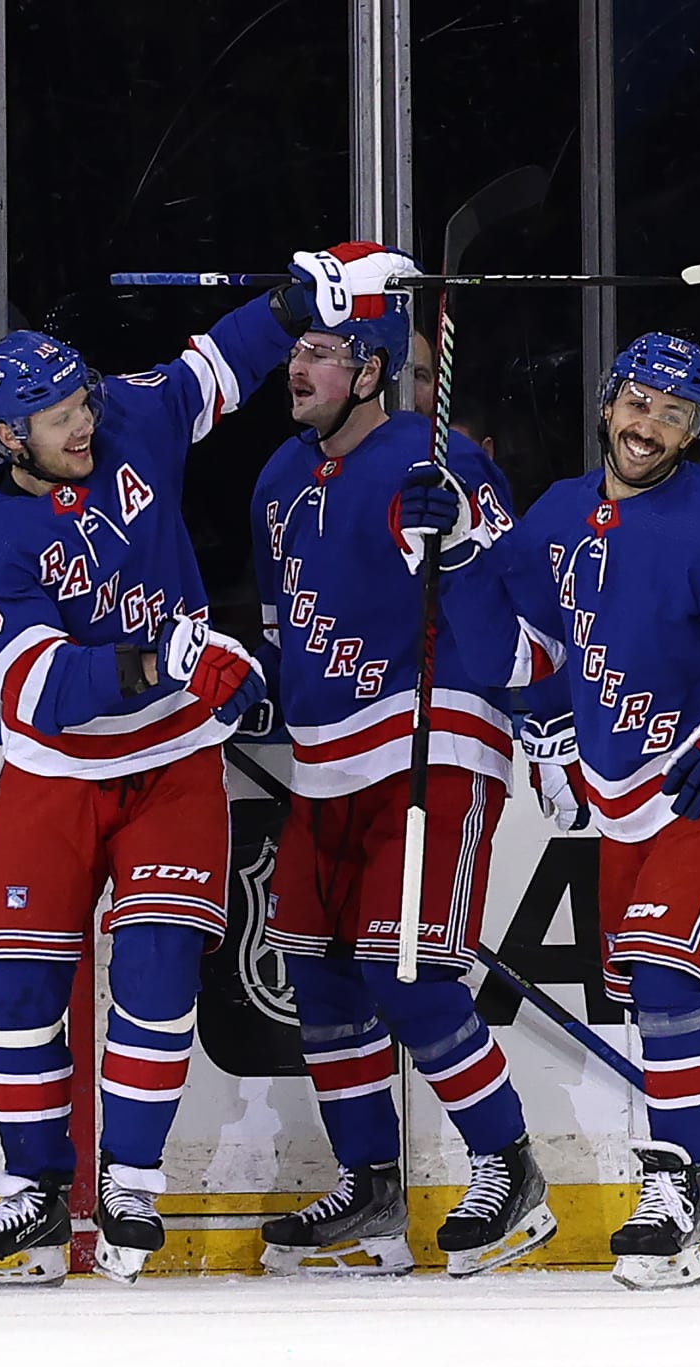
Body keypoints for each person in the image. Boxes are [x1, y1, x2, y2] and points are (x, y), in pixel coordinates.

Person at [0, 242, 403, 1288]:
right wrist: (166, 655)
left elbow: (219, 363)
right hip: (54, 774)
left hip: (175, 766)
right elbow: (39, 687)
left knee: (153, 972)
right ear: (10, 437)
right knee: (13, 989)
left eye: (81, 404)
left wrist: (303, 295)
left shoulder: (129, 418)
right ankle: (37, 1193)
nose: (82, 425)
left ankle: (131, 1182)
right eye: (57, 420)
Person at [402, 332, 700, 1288]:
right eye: (639, 404)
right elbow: (516, 662)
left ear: (692, 433)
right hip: (625, 793)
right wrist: (458, 554)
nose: (651, 427)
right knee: (650, 991)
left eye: (676, 415)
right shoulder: (561, 514)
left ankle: (682, 1179)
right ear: (609, 405)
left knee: (666, 979)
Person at [252, 250, 555, 1280]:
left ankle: (509, 1167)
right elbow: (281, 623)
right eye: (298, 346)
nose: (299, 365)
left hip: (435, 745)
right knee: (323, 978)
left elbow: (524, 619)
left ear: (374, 369)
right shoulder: (277, 480)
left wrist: (461, 538)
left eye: (324, 350)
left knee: (407, 968)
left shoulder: (444, 465)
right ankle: (372, 1194)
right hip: (323, 764)